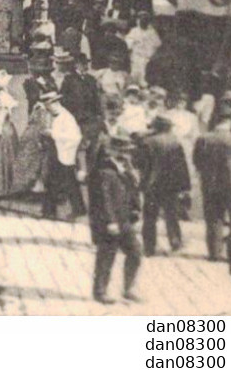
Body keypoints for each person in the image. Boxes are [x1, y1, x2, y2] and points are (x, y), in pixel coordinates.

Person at [90, 130, 144, 304]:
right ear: (112, 151)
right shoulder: (104, 171)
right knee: (106, 256)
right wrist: (110, 221)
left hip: (125, 219)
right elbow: (103, 200)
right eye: (121, 151)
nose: (125, 154)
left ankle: (128, 289)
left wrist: (135, 214)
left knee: (135, 252)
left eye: (127, 151)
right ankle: (100, 292)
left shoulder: (127, 170)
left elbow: (134, 193)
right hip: (109, 221)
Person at [192, 93, 231, 275]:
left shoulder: (203, 139)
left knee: (213, 219)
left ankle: (214, 252)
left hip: (209, 184)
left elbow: (197, 161)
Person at [137, 114, 190, 256]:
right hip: (171, 185)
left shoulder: (147, 142)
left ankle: (149, 246)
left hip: (151, 184)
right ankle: (175, 241)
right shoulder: (175, 142)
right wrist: (185, 186)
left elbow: (139, 163)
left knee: (149, 217)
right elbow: (182, 166)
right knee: (171, 215)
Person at [42, 91, 86, 220]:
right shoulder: (57, 115)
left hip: (65, 153)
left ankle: (52, 211)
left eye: (49, 106)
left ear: (55, 103)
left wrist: (52, 134)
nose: (48, 109)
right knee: (56, 181)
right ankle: (50, 211)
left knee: (65, 182)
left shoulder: (67, 118)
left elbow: (74, 137)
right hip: (58, 151)